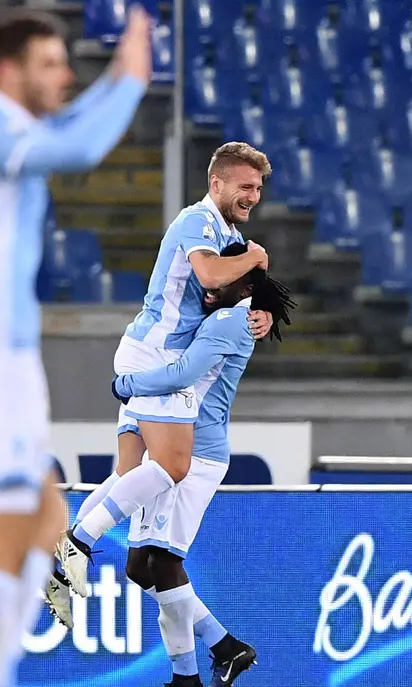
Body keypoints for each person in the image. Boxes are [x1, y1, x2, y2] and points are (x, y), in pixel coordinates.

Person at [0, 8, 151, 687]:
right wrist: (130, 77)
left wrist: (113, 79)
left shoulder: (3, 126)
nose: (64, 75)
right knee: (12, 530)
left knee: (40, 533)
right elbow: (80, 150)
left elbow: (66, 131)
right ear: (9, 71)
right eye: (50, 64)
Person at [47, 242, 295, 687]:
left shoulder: (230, 319)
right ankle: (206, 661)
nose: (207, 281)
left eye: (220, 274)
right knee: (143, 567)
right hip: (175, 439)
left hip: (195, 454)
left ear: (242, 281)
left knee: (161, 562)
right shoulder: (224, 316)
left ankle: (78, 542)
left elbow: (184, 374)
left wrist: (126, 385)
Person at [56, 143, 275, 600]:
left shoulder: (221, 231)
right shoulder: (199, 221)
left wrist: (265, 310)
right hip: (158, 357)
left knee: (129, 471)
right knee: (173, 465)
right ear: (217, 183)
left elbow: (232, 289)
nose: (253, 195)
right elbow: (213, 277)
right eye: (245, 186)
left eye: (258, 187)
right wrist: (256, 258)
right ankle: (80, 542)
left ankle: (63, 546)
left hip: (144, 352)